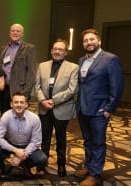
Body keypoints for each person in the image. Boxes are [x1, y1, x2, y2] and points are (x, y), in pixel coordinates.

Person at [74, 29, 123, 186]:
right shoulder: (82, 60)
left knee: (98, 142)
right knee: (87, 140)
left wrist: (109, 108)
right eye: (85, 40)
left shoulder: (110, 59)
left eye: (92, 39)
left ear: (99, 41)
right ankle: (88, 166)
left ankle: (95, 174)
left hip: (99, 110)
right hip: (83, 108)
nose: (89, 42)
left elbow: (117, 86)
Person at [35, 39, 78, 177]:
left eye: (60, 49)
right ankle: (42, 162)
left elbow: (72, 90)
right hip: (44, 108)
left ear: (65, 52)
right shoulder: (42, 66)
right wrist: (42, 100)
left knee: (61, 139)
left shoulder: (73, 67)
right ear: (51, 50)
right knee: (44, 137)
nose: (57, 51)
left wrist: (53, 101)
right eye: (55, 49)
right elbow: (37, 86)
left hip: (62, 108)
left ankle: (61, 164)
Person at [0, 92, 47, 181]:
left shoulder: (34, 118)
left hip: (26, 145)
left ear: (26, 105)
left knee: (42, 159)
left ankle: (26, 165)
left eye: (21, 102)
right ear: (11, 104)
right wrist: (15, 150)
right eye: (16, 102)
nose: (19, 105)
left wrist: (20, 156)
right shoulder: (6, 116)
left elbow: (36, 141)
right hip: (10, 143)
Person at [0, 23, 37, 114]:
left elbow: (32, 74)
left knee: (18, 119)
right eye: (13, 31)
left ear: (22, 34)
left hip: (19, 91)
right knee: (5, 117)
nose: (15, 33)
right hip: (4, 90)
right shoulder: (4, 48)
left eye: (18, 31)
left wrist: (24, 94)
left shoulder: (29, 48)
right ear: (9, 33)